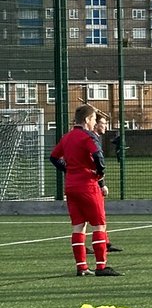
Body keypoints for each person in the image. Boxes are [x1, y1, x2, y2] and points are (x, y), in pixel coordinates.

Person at [49, 104, 122, 277]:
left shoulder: (67, 137)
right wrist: (100, 171)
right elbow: (97, 156)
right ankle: (101, 266)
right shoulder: (88, 137)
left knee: (78, 226)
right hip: (87, 185)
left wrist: (67, 169)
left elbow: (53, 157)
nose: (95, 123)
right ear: (88, 120)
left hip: (71, 186)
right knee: (99, 225)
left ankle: (81, 267)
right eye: (94, 119)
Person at [92, 114, 123, 252]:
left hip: (91, 182)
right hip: (89, 183)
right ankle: (99, 246)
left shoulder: (95, 138)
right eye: (103, 123)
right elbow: (95, 164)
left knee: (98, 215)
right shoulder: (91, 139)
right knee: (95, 216)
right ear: (95, 123)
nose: (105, 126)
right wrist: (101, 183)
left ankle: (105, 242)